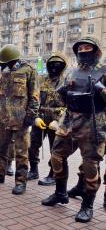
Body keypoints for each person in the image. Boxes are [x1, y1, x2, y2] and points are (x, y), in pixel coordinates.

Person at [41, 37, 106, 223]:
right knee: (57, 156)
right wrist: (63, 92)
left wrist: (101, 89)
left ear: (95, 50)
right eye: (81, 48)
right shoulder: (71, 72)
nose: (84, 51)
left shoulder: (103, 71)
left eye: (88, 47)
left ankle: (88, 205)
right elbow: (63, 98)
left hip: (93, 123)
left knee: (90, 165)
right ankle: (60, 193)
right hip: (69, 120)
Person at [0, 44, 39, 195]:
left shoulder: (28, 71)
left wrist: (30, 116)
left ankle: (21, 182)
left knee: (21, 152)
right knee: (1, 148)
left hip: (20, 119)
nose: (4, 65)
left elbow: (34, 96)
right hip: (2, 118)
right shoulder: (5, 72)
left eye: (5, 62)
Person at [27, 54, 67, 186]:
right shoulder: (42, 80)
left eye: (58, 64)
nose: (54, 67)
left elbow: (69, 105)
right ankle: (33, 170)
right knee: (32, 145)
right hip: (41, 118)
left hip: (56, 122)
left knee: (55, 149)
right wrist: (36, 117)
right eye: (52, 64)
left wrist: (58, 120)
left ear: (63, 66)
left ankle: (53, 174)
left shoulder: (66, 82)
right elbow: (35, 99)